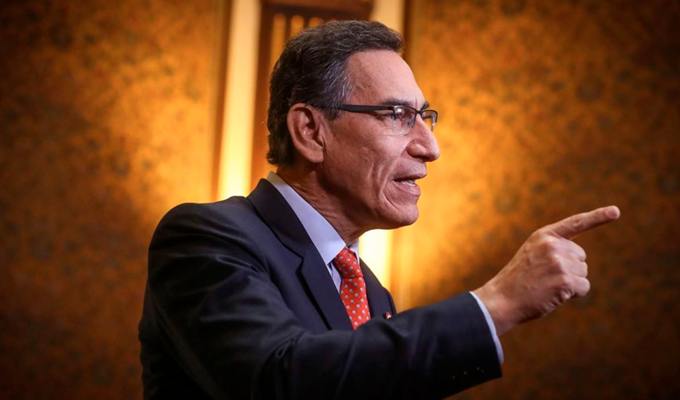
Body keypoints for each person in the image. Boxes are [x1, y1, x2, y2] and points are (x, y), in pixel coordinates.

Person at [138, 21, 620, 400]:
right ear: (310, 132)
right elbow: (280, 380)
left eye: (425, 117)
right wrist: (497, 303)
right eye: (397, 115)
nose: (430, 147)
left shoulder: (369, 288)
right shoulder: (206, 237)